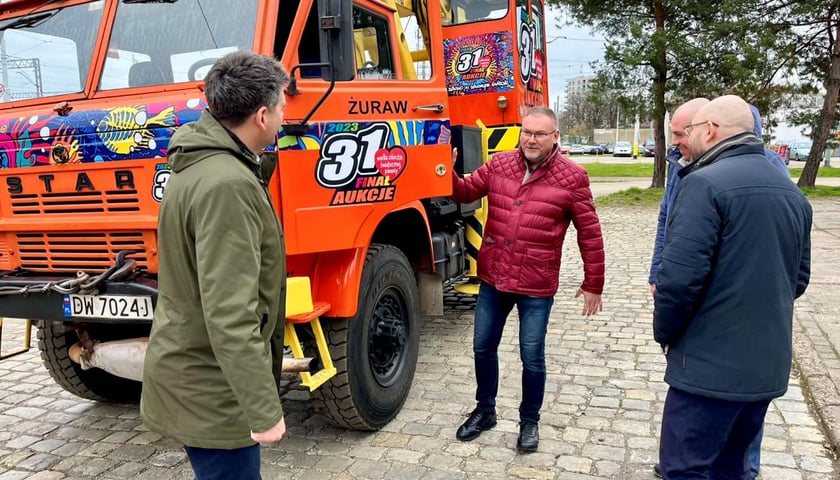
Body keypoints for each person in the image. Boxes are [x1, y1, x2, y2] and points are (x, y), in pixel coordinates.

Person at [141, 51, 290, 479]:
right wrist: (263, 409)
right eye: (281, 107)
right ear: (262, 116)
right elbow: (230, 312)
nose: (284, 117)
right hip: (213, 387)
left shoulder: (205, 165)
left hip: (201, 373)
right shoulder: (228, 184)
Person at [653, 95, 811, 479]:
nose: (685, 140)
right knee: (732, 468)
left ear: (710, 130)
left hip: (707, 369)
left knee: (684, 468)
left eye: (689, 131)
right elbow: (799, 279)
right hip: (765, 368)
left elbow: (678, 281)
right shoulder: (792, 192)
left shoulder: (703, 184)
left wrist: (666, 334)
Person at [450, 106, 605, 453]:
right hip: (494, 278)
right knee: (482, 348)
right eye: (526, 132)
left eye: (539, 134)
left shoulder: (573, 177)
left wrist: (594, 283)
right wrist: (445, 170)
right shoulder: (500, 163)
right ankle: (485, 411)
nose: (530, 140)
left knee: (532, 356)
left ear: (555, 137)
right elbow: (464, 192)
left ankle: (529, 421)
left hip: (536, 284)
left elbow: (590, 234)